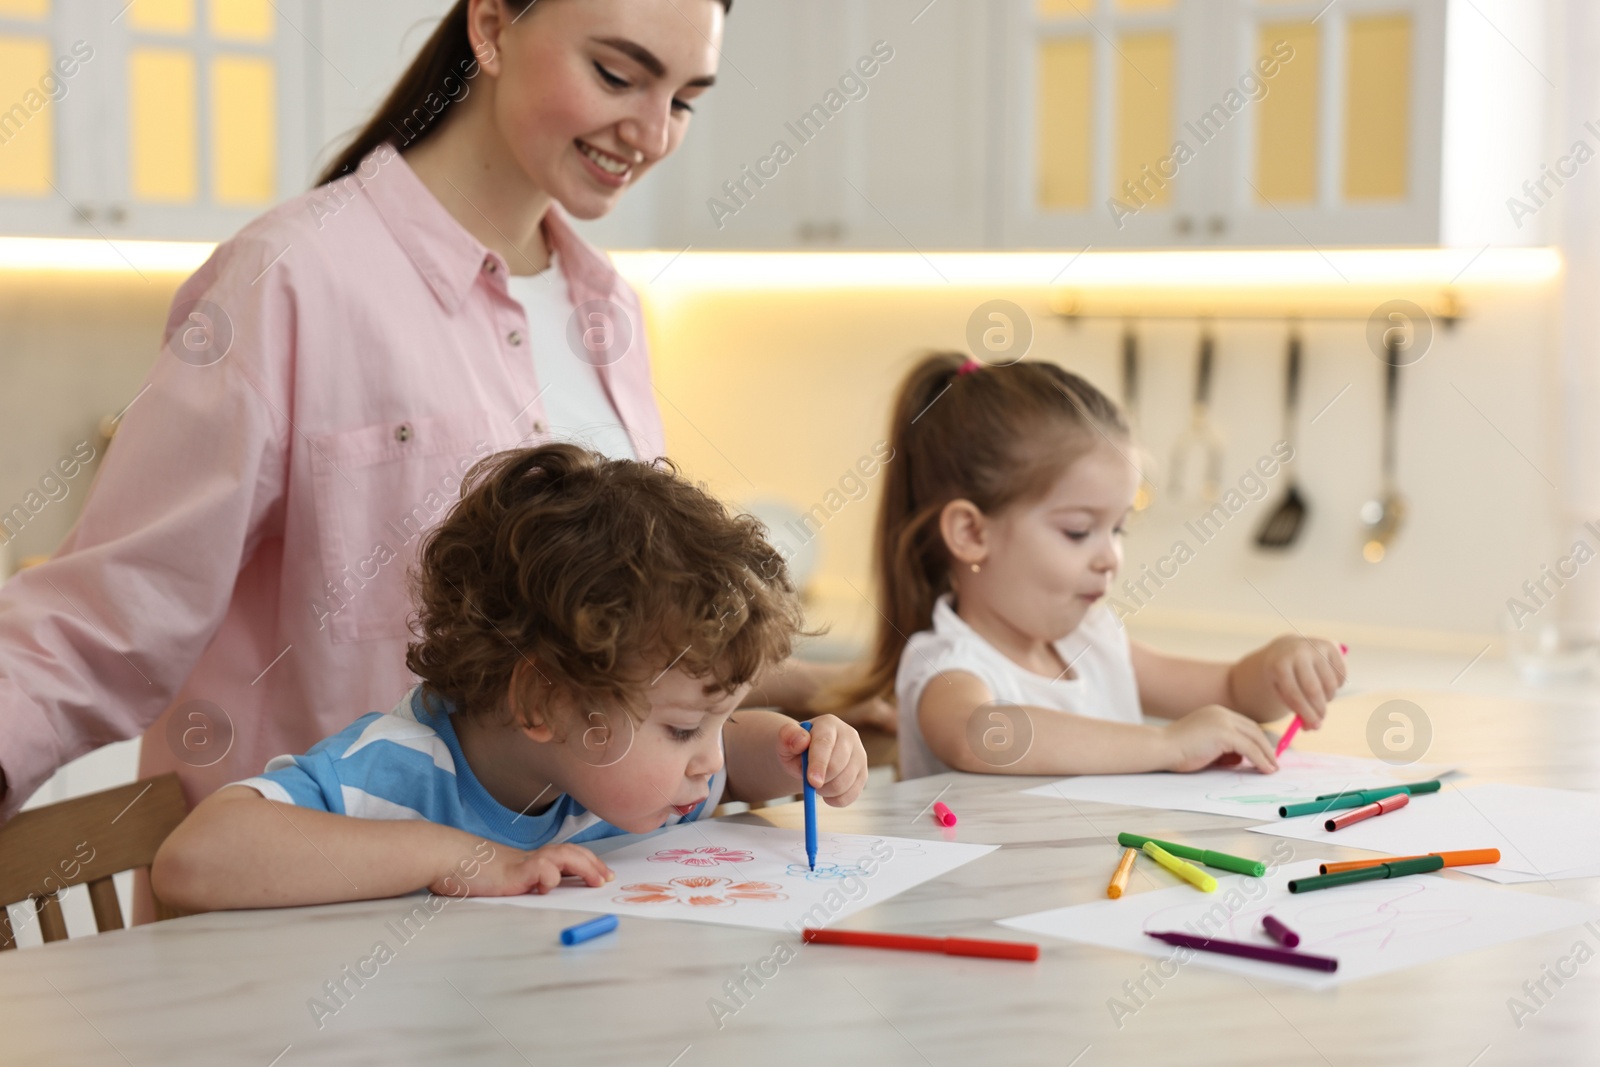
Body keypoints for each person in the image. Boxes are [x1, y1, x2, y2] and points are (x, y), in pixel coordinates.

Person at [0, 0, 884, 851]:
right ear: (493, 26)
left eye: (685, 100)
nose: (652, 135)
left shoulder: (609, 315)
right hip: (309, 932)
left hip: (550, 914)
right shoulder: (290, 280)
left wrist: (837, 687)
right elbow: (102, 623)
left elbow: (627, 636)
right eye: (618, 75)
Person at [151, 444, 868, 910]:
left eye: (719, 720)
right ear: (542, 701)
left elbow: (733, 769)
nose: (707, 758)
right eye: (684, 728)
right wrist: (461, 856)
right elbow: (193, 858)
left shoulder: (616, 775)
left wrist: (791, 751)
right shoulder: (398, 771)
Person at [827, 353, 1347, 780]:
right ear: (971, 534)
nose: (1110, 557)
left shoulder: (1095, 641)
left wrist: (1278, 667)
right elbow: (980, 735)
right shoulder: (946, 665)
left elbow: (1232, 691)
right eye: (1079, 531)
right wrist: (1165, 742)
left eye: (1118, 528)